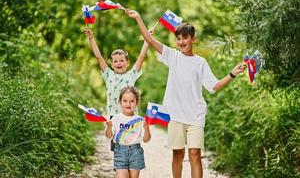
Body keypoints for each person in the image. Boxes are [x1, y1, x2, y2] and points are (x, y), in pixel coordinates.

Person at [126, 9, 245, 178]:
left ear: (193, 39)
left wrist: (232, 74)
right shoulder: (172, 56)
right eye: (179, 39)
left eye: (185, 38)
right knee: (178, 155)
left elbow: (214, 86)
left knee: (195, 154)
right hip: (176, 116)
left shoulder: (200, 63)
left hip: (196, 115)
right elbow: (150, 40)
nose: (181, 42)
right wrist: (138, 18)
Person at [84, 27, 151, 151]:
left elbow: (141, 56)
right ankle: (120, 169)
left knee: (131, 145)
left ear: (127, 63)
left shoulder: (131, 74)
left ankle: (131, 166)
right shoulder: (108, 74)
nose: (118, 63)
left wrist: (147, 40)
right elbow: (98, 57)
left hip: (130, 117)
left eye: (121, 61)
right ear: (112, 64)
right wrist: (91, 38)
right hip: (114, 118)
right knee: (118, 148)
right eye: (115, 61)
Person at [105, 86, 151, 178]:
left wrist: (146, 129)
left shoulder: (140, 120)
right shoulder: (116, 118)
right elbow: (108, 135)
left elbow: (146, 139)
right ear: (120, 102)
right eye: (125, 101)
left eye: (132, 101)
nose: (128, 104)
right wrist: (109, 127)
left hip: (136, 152)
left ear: (137, 103)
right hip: (120, 151)